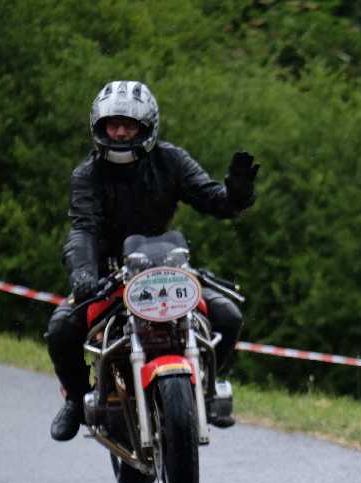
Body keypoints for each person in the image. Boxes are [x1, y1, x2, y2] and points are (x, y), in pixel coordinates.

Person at [47, 80, 260, 441]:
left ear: (146, 127)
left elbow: (212, 198)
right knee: (61, 329)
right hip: (109, 276)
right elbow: (83, 229)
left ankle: (207, 387)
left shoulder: (170, 160)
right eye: (113, 125)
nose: (119, 133)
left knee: (229, 316)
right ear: (99, 128)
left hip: (167, 268)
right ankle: (76, 400)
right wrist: (82, 273)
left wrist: (236, 196)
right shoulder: (87, 175)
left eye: (128, 125)